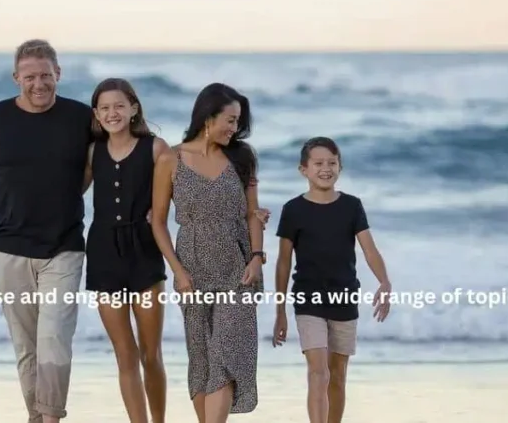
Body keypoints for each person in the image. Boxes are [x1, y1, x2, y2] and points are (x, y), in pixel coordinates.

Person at [0, 39, 93, 423]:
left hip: (64, 247)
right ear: (16, 77)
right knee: (27, 347)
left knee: (54, 340)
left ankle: (49, 418)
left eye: (46, 76)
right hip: (8, 250)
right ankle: (38, 417)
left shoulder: (82, 118)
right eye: (30, 76)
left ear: (58, 75)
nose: (39, 84)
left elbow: (97, 164)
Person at [150, 82, 268, 423]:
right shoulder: (170, 159)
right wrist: (178, 271)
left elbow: (252, 214)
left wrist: (257, 258)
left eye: (237, 122)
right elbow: (158, 222)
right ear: (207, 117)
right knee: (201, 359)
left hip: (238, 267)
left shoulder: (243, 158)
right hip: (193, 267)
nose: (234, 128)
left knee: (225, 355)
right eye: (229, 120)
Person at [270, 136, 392, 423]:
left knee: (337, 375)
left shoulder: (352, 206)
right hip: (307, 299)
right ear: (304, 170)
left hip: (344, 298)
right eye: (318, 163)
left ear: (340, 167)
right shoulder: (293, 210)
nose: (326, 169)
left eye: (332, 163)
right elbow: (283, 262)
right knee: (318, 371)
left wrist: (384, 282)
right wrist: (280, 310)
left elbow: (369, 249)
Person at [84, 77, 170, 423]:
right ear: (96, 114)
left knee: (150, 353)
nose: (112, 113)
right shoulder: (92, 151)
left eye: (119, 105)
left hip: (145, 254)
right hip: (104, 254)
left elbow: (184, 189)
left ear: (134, 108)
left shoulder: (156, 148)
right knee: (124, 353)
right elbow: (66, 193)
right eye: (104, 108)